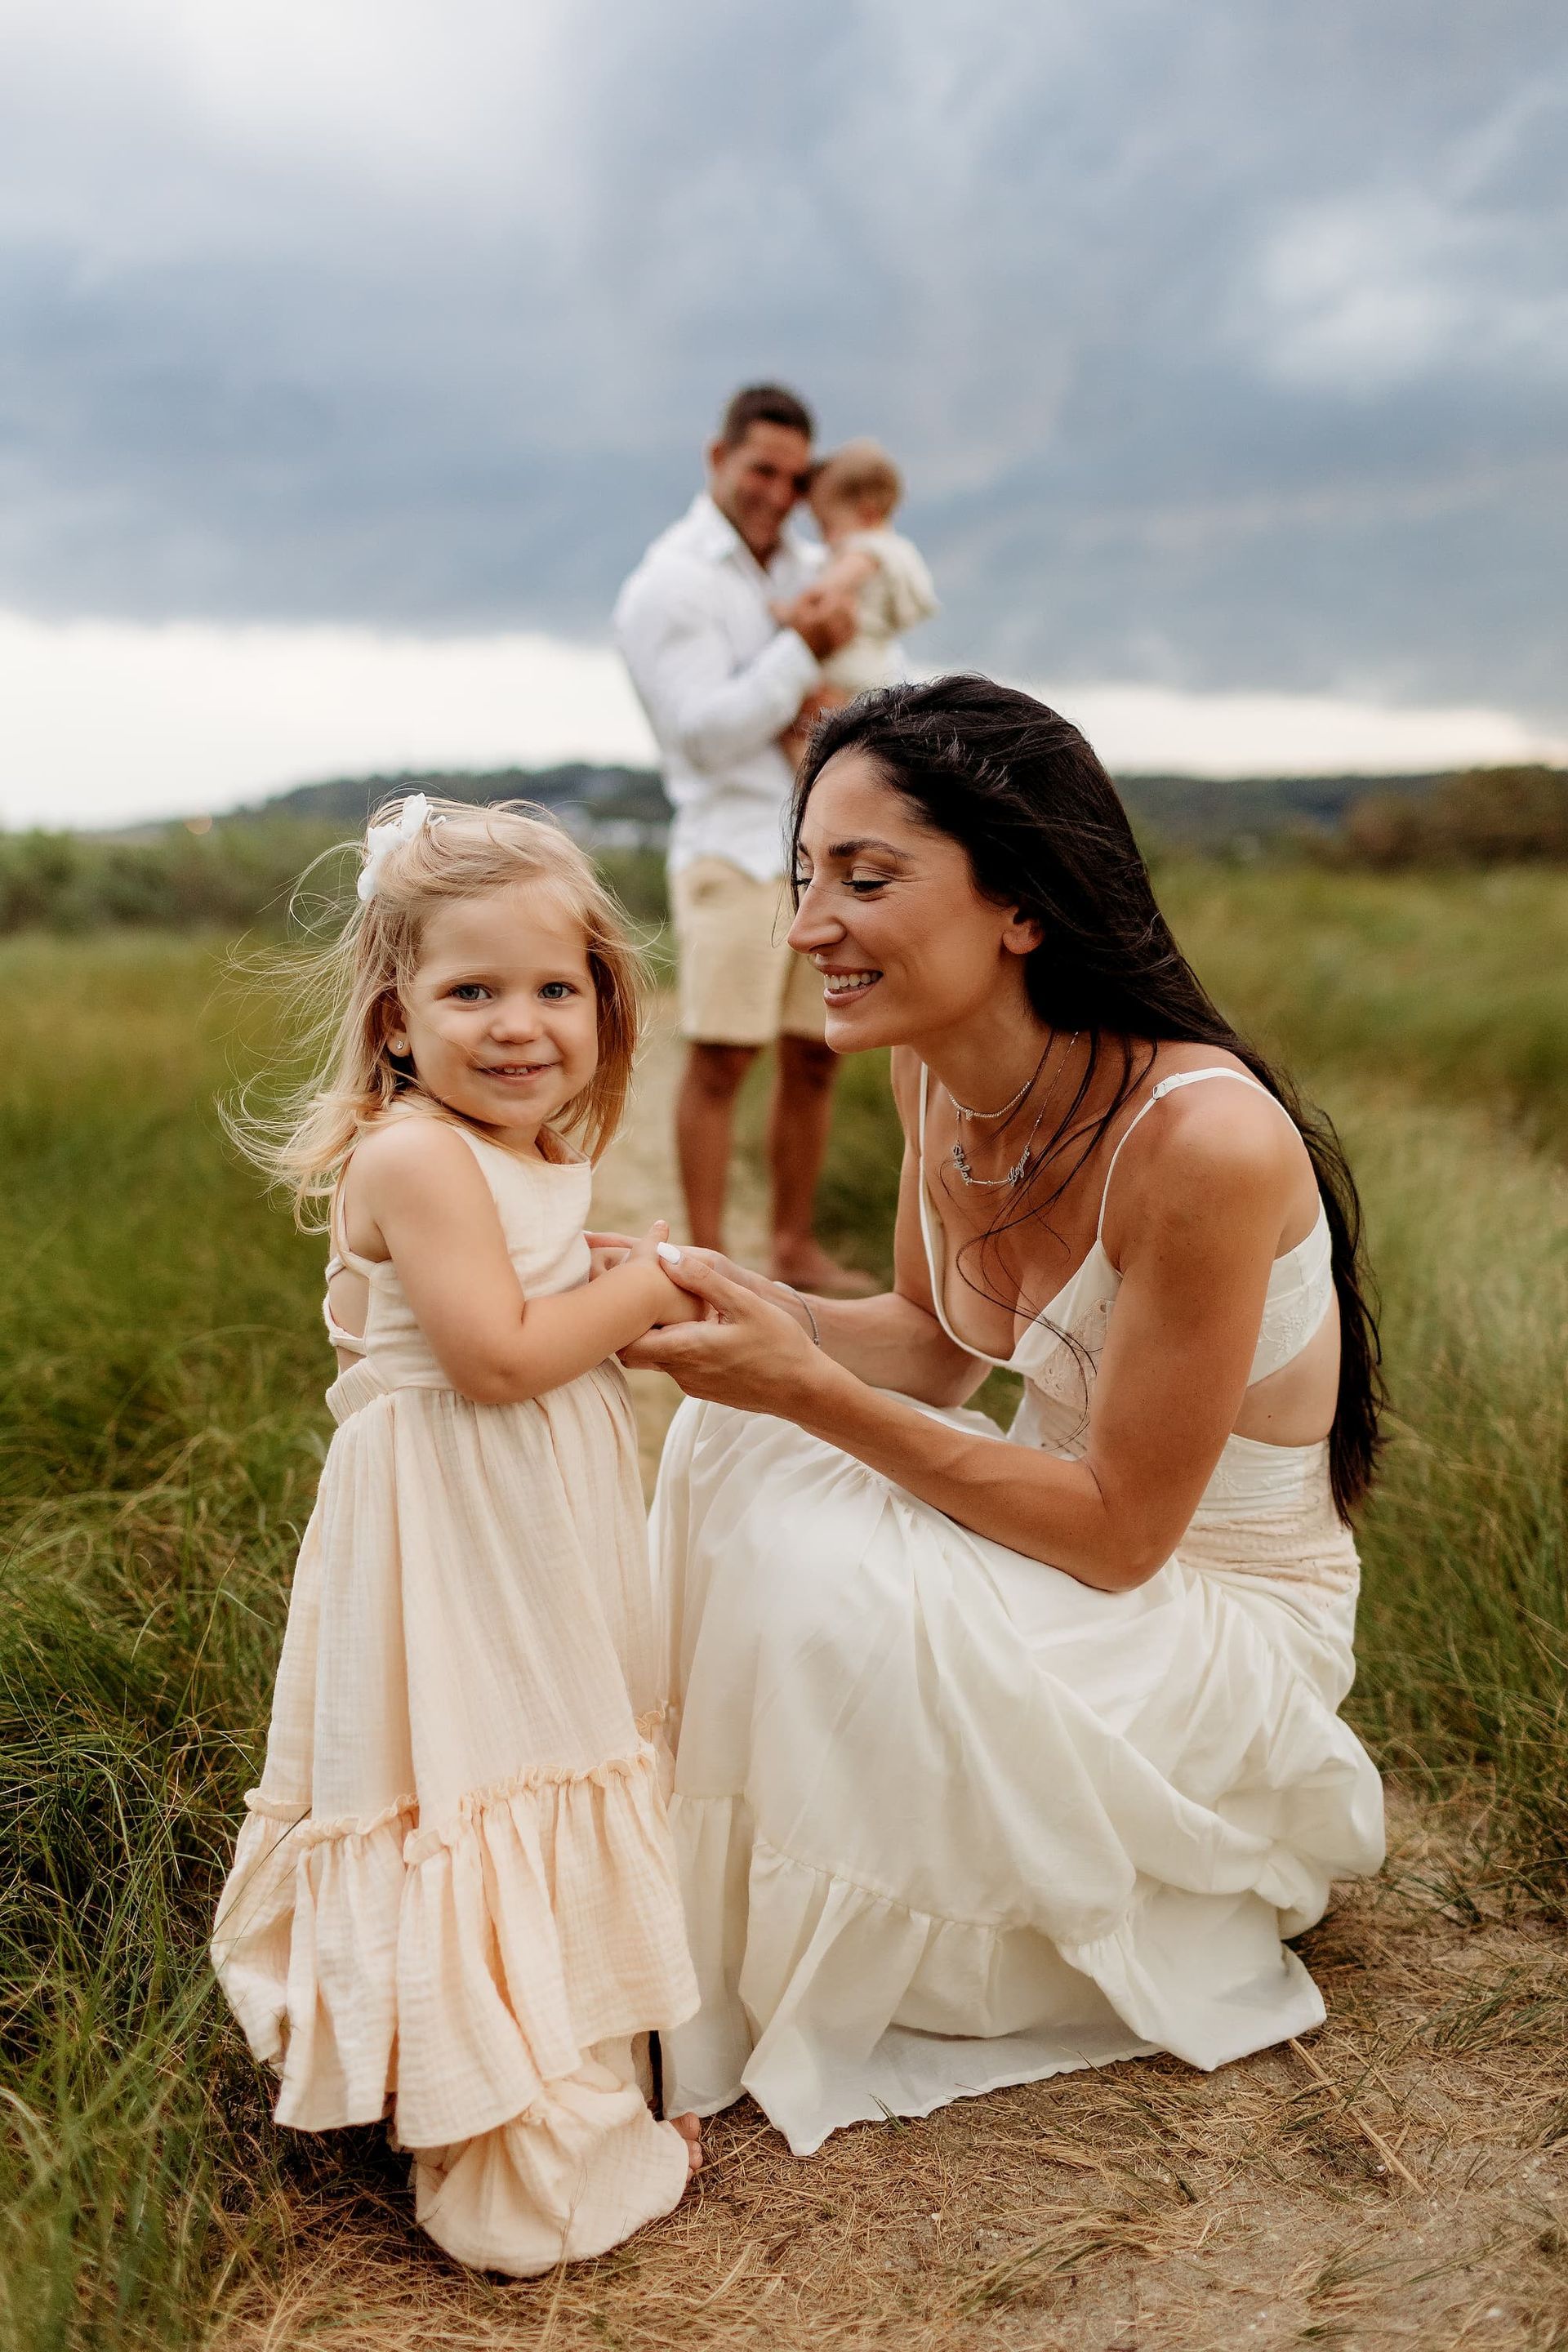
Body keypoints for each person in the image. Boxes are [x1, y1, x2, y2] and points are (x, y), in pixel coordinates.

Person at [621, 676, 1388, 2162]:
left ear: (1022, 903)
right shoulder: (937, 1073)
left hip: (1201, 1610)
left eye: (865, 878)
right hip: (1069, 1532)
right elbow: (926, 1344)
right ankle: (702, 1910)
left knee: (813, 1552)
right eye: (804, 879)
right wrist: (724, 1298)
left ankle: (910, 1939)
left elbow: (1118, 1539)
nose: (807, 929)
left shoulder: (1207, 1142)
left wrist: (811, 1388)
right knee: (735, 1440)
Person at [210, 795, 705, 2274]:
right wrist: (657, 1280)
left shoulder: (515, 1143)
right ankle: (515, 2169)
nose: (519, 1025)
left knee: (553, 1752)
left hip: (529, 1508)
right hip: (453, 1523)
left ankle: (582, 2085)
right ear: (395, 1017)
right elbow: (495, 1355)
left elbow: (531, 1323)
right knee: (485, 1776)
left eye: (556, 989)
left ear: (606, 1007)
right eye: (470, 990)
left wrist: (600, 1284)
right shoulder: (417, 1156)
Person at [614, 383, 871, 1294]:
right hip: (730, 846)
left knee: (817, 1055)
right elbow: (702, 731)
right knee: (723, 1056)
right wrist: (800, 658)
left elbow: (874, 688)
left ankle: (794, 1250)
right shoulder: (668, 583)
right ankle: (706, 1265)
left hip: (824, 851)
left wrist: (804, 697)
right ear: (715, 459)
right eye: (762, 468)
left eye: (795, 477)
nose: (777, 490)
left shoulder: (813, 565)